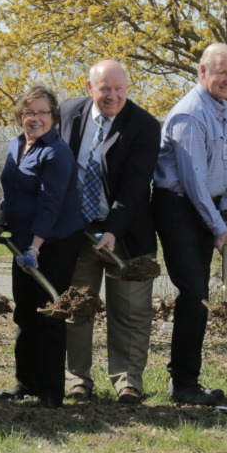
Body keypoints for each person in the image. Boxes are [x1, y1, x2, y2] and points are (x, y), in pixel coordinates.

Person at [58, 60, 160, 405]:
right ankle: (77, 380)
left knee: (131, 310)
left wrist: (113, 230)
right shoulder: (68, 113)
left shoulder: (144, 125)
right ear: (90, 89)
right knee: (77, 307)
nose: (113, 96)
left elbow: (134, 188)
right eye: (105, 89)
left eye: (119, 89)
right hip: (79, 232)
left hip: (127, 234)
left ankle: (128, 380)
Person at [152, 42, 227, 406]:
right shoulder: (189, 114)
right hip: (178, 209)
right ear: (203, 72)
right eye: (222, 73)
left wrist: (226, 206)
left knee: (197, 294)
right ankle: (183, 383)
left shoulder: (222, 109)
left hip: (204, 207)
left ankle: (187, 380)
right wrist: (218, 226)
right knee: (194, 293)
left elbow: (220, 171)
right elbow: (193, 181)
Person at [0, 85, 83, 409]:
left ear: (53, 116)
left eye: (42, 112)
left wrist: (36, 247)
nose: (35, 118)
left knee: (49, 313)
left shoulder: (57, 152)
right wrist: (1, 218)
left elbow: (50, 204)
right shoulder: (17, 146)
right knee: (25, 312)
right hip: (24, 242)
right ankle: (25, 381)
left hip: (53, 243)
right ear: (20, 115)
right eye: (29, 112)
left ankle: (51, 390)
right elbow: (13, 193)